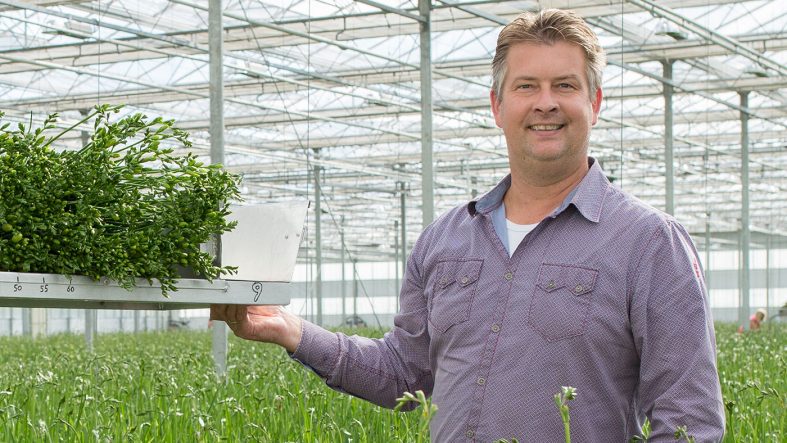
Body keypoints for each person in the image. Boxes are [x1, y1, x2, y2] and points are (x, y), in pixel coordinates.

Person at [211, 9, 725, 441]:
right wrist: (291, 331)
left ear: (594, 103)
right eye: (526, 86)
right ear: (498, 106)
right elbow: (404, 373)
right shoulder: (446, 239)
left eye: (565, 85)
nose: (545, 102)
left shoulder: (648, 242)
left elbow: (689, 420)